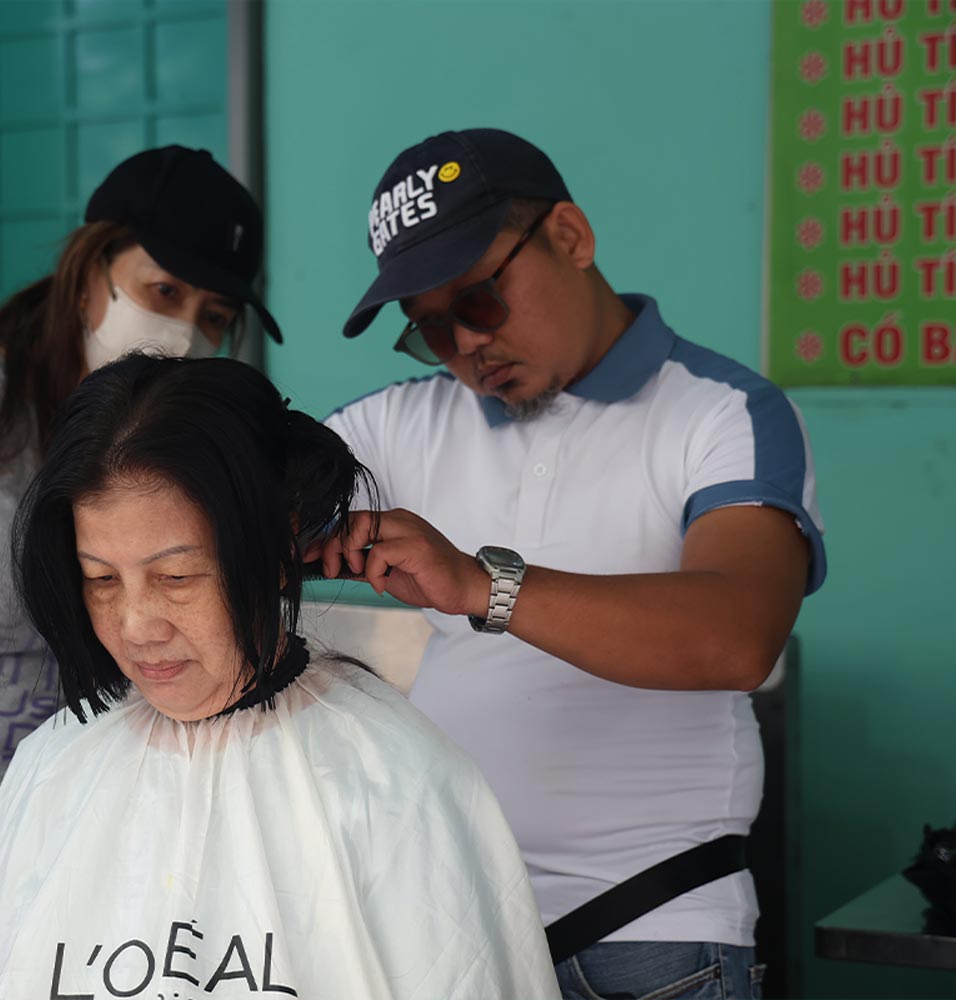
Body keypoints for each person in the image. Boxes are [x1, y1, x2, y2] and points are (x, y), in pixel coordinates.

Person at [319, 128, 827, 999]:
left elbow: (737, 635)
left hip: (649, 931)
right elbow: (236, 501)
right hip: (448, 924)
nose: (466, 348)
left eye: (480, 300)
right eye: (431, 330)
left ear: (570, 236)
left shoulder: (722, 413)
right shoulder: (394, 428)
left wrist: (481, 585)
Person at [0, 354, 561, 1000]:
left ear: (276, 545)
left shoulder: (395, 784)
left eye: (175, 578)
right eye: (100, 579)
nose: (135, 624)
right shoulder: (51, 769)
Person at [0, 146, 284, 1000]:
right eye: (162, 292)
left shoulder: (189, 452)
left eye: (213, 314)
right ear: (87, 272)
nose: (185, 330)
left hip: (105, 856)